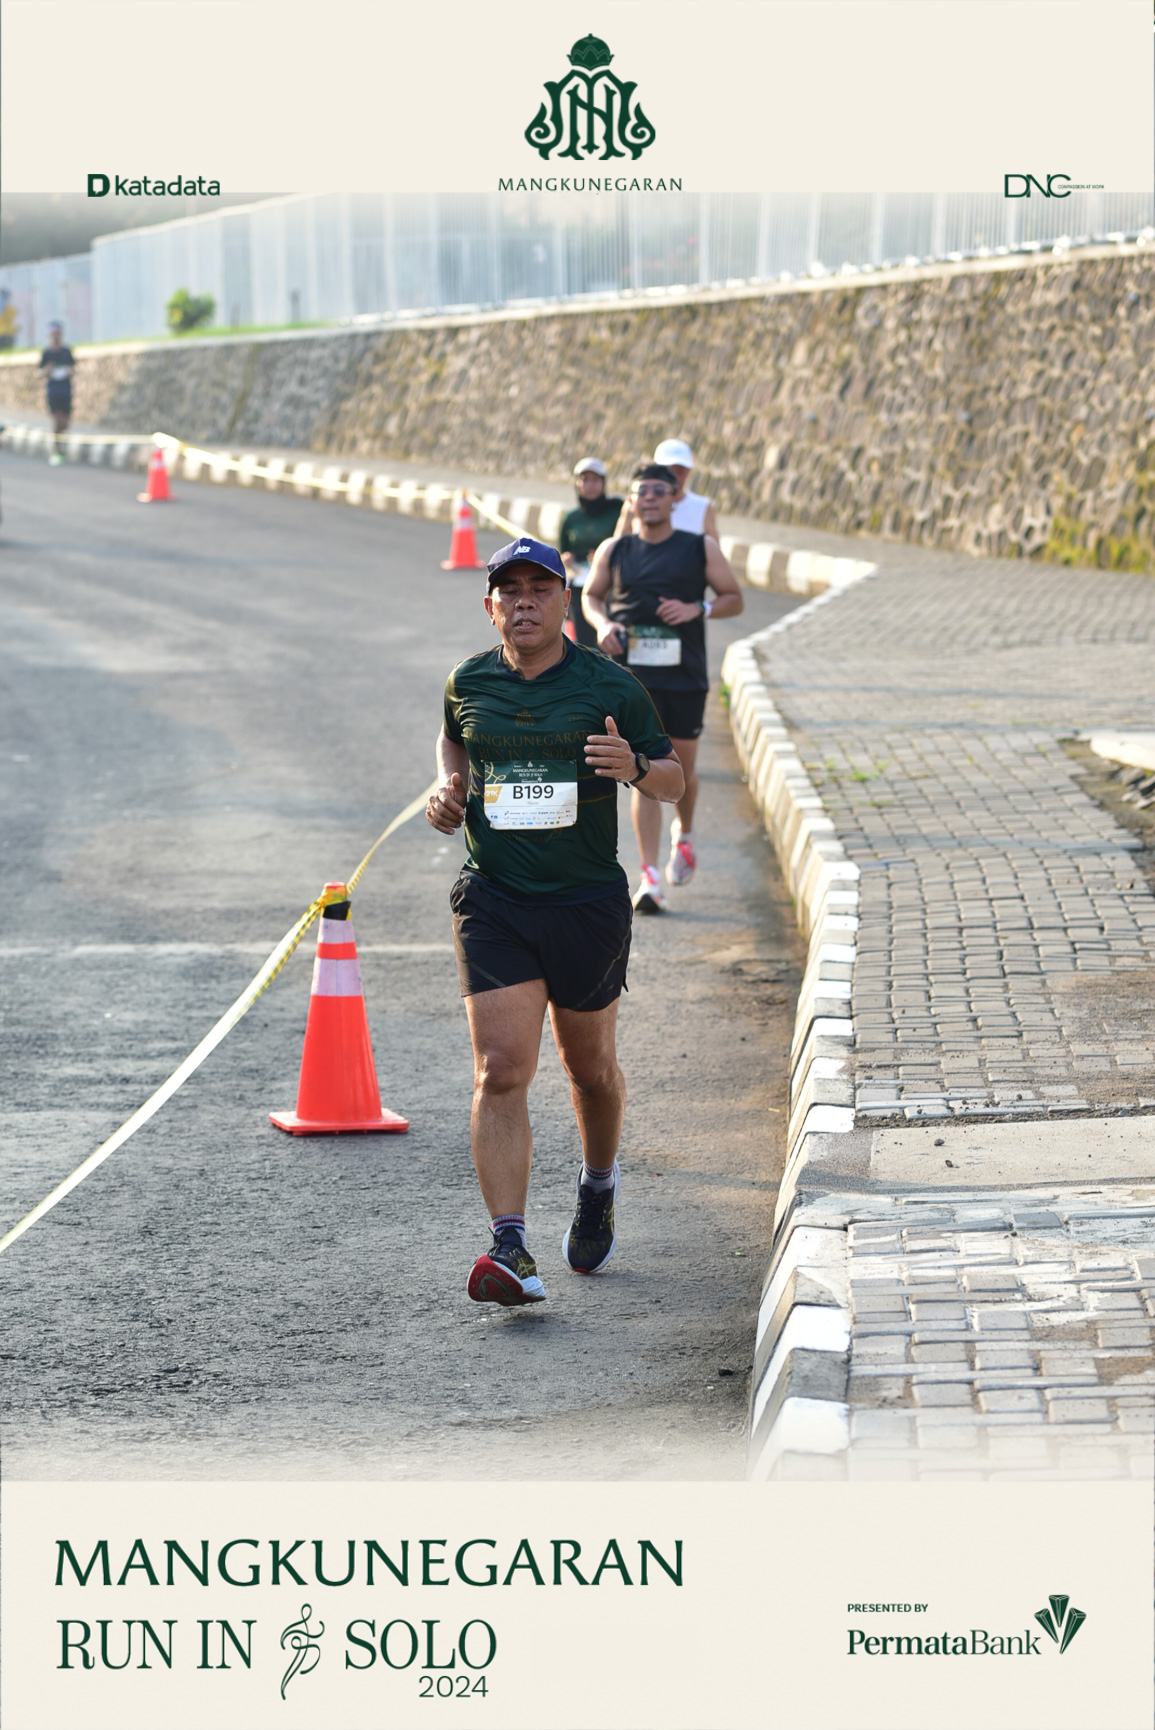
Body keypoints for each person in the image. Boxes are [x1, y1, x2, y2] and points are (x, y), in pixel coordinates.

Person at [426, 536, 684, 1307]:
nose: (524, 602)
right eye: (510, 591)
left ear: (565, 601)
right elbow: (453, 740)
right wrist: (448, 786)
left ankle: (597, 1184)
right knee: (500, 1069)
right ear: (490, 607)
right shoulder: (468, 680)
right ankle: (508, 1244)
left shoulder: (609, 685)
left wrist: (634, 768)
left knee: (589, 1071)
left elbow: (672, 780)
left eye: (540, 589)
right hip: (494, 899)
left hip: (584, 905)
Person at [583, 462, 743, 913]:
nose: (650, 498)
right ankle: (649, 877)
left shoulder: (699, 547)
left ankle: (684, 835)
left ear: (675, 499)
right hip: (632, 678)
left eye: (659, 490)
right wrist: (602, 624)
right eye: (642, 492)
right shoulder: (615, 548)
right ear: (631, 501)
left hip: (684, 677)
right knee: (643, 770)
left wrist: (698, 609)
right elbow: (591, 597)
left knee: (682, 772)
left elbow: (734, 598)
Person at [557, 458, 624, 648]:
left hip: (612, 584)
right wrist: (566, 559)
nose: (590, 485)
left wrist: (604, 557)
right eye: (584, 480)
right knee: (586, 644)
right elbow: (563, 552)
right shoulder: (571, 518)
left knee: (612, 639)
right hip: (581, 585)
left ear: (604, 483)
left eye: (595, 480)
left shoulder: (617, 510)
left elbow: (627, 541)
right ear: (577, 484)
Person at [616, 438, 720, 542]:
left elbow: (714, 547)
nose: (674, 477)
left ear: (689, 472)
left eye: (680, 471)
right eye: (667, 471)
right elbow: (618, 545)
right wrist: (629, 517)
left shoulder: (703, 507)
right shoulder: (637, 502)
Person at [39, 322, 76, 465]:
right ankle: (56, 449)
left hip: (66, 390)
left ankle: (59, 443)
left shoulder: (66, 351)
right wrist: (47, 370)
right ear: (50, 335)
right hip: (53, 391)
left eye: (58, 333)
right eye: (53, 333)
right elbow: (39, 373)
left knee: (65, 422)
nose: (56, 336)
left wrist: (70, 371)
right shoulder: (47, 353)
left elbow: (74, 368)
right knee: (57, 419)